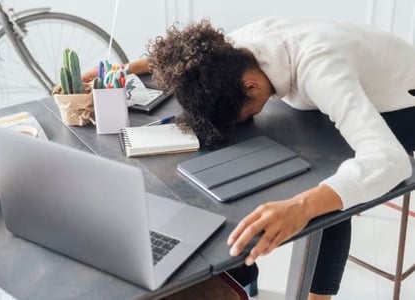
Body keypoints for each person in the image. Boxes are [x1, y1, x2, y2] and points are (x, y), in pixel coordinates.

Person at [84, 16, 415, 299]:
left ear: (252, 87)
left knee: (323, 194)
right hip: (332, 91)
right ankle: (242, 278)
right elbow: (197, 56)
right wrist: (132, 67)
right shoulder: (236, 52)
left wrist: (302, 206)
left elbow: (389, 160)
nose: (239, 121)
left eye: (239, 113)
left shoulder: (321, 68)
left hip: (401, 103)